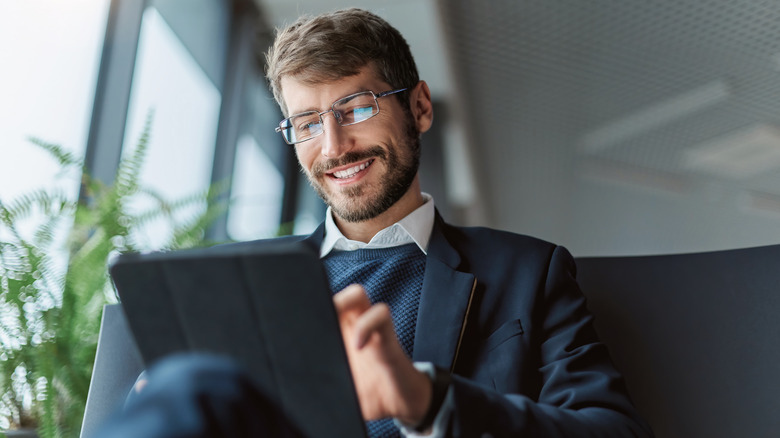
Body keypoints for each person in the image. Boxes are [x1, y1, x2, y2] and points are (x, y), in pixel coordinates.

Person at [95, 7, 653, 438]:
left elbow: (613, 432)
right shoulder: (232, 287)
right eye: (307, 123)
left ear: (420, 108)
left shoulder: (529, 273)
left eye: (357, 108)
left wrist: (428, 399)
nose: (334, 146)